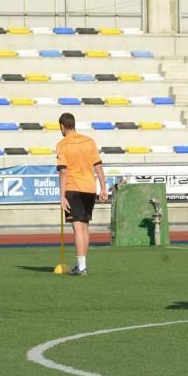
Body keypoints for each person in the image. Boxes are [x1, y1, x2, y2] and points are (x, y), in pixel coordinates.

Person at [56, 113, 108, 275]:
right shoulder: (89, 141)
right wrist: (103, 188)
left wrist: (62, 195)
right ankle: (82, 264)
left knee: (78, 227)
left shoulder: (62, 144)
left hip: (73, 187)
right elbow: (98, 167)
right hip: (89, 188)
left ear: (62, 126)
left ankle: (82, 266)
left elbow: (63, 171)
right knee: (85, 227)